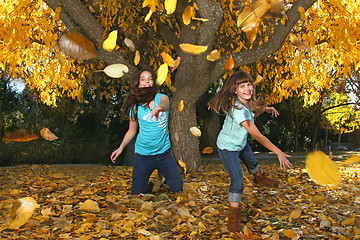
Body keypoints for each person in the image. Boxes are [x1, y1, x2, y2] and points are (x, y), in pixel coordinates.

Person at [209, 71, 292, 232]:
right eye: (242, 86)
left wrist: (267, 109)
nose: (247, 88)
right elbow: (259, 137)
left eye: (249, 84)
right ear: (234, 90)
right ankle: (233, 219)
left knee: (252, 162)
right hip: (227, 147)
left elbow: (252, 108)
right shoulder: (239, 110)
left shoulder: (244, 103)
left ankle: (259, 178)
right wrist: (278, 152)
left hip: (240, 143)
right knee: (238, 181)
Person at [110, 69, 183, 195]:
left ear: (153, 82)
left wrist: (159, 108)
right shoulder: (135, 106)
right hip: (143, 155)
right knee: (137, 193)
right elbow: (131, 131)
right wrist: (120, 148)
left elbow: (165, 104)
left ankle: (164, 180)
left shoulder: (161, 98)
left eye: (149, 79)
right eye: (143, 79)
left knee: (178, 188)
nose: (146, 82)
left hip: (164, 154)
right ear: (138, 83)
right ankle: (152, 184)